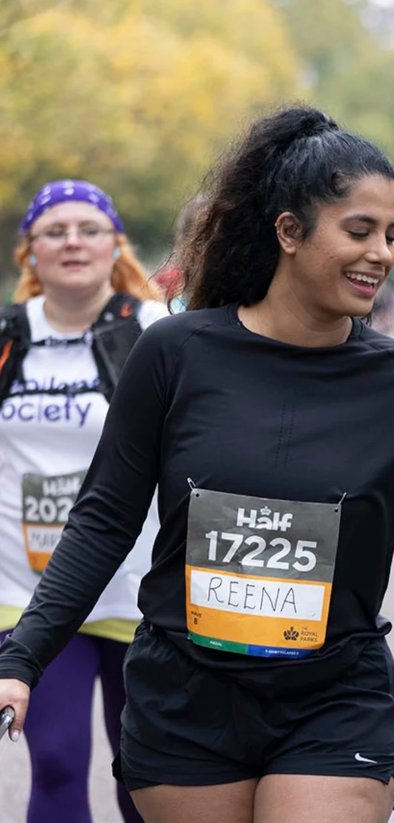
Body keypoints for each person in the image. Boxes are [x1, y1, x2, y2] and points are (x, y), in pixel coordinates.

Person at [0, 108, 394, 823]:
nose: (381, 254)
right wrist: (22, 659)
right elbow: (103, 521)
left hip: (334, 700)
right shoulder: (173, 353)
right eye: (359, 231)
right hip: (186, 699)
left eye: (390, 235)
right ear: (289, 231)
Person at [0, 180, 165, 822]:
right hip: (30, 593)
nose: (73, 242)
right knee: (58, 761)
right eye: (55, 231)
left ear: (114, 245)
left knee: (145, 779)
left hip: (137, 588)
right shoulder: (8, 337)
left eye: (89, 229)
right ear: (29, 252)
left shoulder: (156, 332)